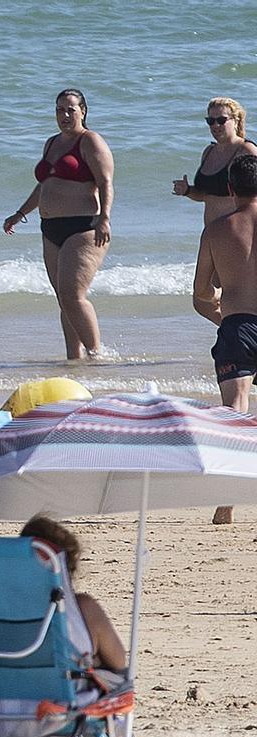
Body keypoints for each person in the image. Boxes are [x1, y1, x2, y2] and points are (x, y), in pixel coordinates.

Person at [0, 516, 126, 737]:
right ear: (66, 569)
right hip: (51, 712)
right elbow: (119, 664)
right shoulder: (82, 609)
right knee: (102, 669)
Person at [3, 89, 114, 360]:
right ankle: (74, 359)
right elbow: (44, 185)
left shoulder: (90, 141)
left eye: (70, 110)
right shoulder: (52, 143)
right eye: (59, 110)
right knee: (63, 300)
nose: (64, 115)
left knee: (73, 295)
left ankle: (98, 355)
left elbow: (105, 182)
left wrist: (105, 218)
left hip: (84, 227)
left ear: (83, 112)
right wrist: (20, 213)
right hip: (50, 228)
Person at [193, 154, 257, 524]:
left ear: (230, 188)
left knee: (235, 411)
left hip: (237, 329)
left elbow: (202, 291)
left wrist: (223, 314)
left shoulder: (216, 230)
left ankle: (227, 502)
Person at [173, 98, 257, 227]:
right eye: (210, 121)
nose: (215, 125)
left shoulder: (246, 150)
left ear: (236, 121)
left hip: (237, 231)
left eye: (221, 120)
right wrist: (188, 191)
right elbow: (206, 195)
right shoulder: (209, 151)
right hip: (211, 232)